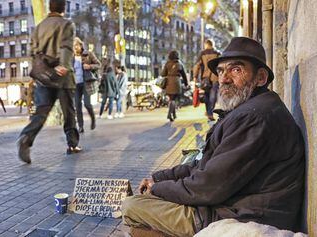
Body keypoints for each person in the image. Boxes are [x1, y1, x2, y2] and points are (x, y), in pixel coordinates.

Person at [121, 37, 305, 237]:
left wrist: (158, 189)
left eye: (236, 70)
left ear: (260, 78)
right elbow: (204, 165)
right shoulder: (248, 109)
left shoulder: (255, 117)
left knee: (131, 206)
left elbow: (209, 186)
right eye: (220, 71)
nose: (224, 79)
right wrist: (159, 179)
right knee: (142, 215)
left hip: (242, 217)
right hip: (231, 206)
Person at [17, 0, 81, 164]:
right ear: (63, 8)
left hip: (44, 77)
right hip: (63, 77)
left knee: (41, 111)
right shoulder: (66, 24)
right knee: (69, 112)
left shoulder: (40, 26)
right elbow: (66, 47)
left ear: (49, 7)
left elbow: (32, 50)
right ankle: (72, 144)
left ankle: (26, 137)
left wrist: (42, 65)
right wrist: (64, 66)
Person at [73, 37, 101, 132]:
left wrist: (89, 66)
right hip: (76, 84)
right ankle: (80, 126)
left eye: (76, 45)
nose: (75, 48)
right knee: (77, 105)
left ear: (80, 45)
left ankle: (93, 118)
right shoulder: (71, 58)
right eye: (73, 46)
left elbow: (98, 64)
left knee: (87, 104)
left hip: (86, 83)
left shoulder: (88, 54)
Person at [193, 39, 220, 121]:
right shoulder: (217, 53)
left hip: (205, 77)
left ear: (206, 45)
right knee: (213, 95)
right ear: (212, 45)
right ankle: (210, 112)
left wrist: (195, 77)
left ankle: (209, 112)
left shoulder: (202, 53)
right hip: (215, 77)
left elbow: (197, 65)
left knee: (207, 95)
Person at [161, 50, 188, 122]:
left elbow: (163, 74)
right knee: (174, 99)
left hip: (169, 82)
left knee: (171, 99)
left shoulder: (167, 64)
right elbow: (184, 75)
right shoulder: (180, 64)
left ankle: (172, 114)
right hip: (177, 82)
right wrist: (186, 83)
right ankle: (171, 114)